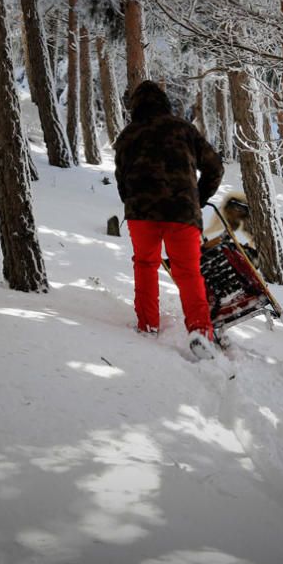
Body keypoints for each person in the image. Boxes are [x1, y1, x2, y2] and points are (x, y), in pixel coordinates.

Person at [114, 81, 224, 359]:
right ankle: (200, 331)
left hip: (142, 214)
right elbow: (215, 167)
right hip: (181, 212)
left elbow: (121, 179)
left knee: (145, 265)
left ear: (136, 106)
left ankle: (147, 324)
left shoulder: (128, 135)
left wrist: (132, 201)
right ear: (164, 103)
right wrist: (197, 199)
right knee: (188, 272)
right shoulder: (184, 130)